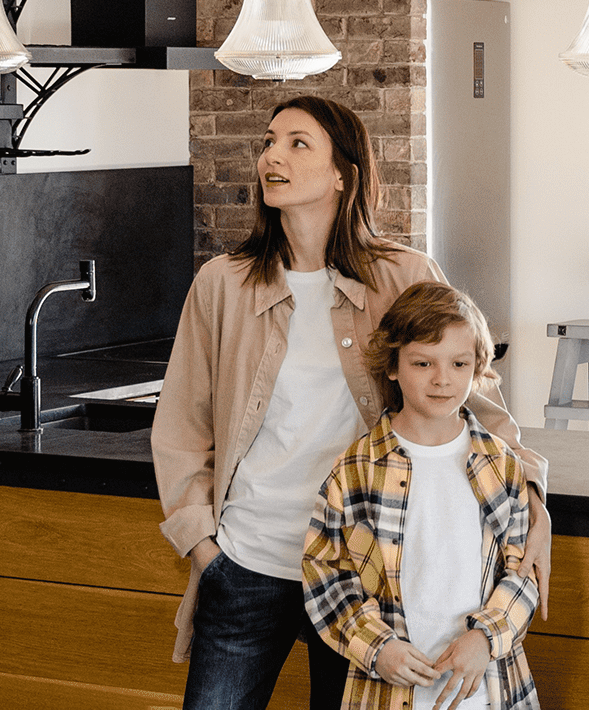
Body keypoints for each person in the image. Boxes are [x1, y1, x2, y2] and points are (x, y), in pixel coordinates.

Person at [152, 96, 550, 710]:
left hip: (362, 579)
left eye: (297, 143)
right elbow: (181, 425)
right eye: (268, 141)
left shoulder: (405, 274)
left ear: (344, 173)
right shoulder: (223, 284)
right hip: (247, 564)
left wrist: (534, 498)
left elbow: (478, 398)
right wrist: (205, 550)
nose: (271, 157)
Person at [303, 281, 539, 710]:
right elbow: (325, 572)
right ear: (392, 366)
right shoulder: (355, 469)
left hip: (489, 692)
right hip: (386, 693)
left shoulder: (501, 466)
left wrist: (486, 638)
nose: (442, 379)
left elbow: (522, 572)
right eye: (423, 362)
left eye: (459, 363)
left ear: (478, 367)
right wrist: (378, 648)